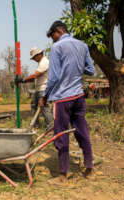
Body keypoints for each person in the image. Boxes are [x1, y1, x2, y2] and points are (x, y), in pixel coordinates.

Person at [39, 21, 95, 185]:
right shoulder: (82, 45)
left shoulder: (57, 48)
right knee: (82, 131)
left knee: (61, 134)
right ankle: (89, 168)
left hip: (62, 98)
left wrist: (44, 96)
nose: (53, 40)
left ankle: (63, 175)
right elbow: (90, 70)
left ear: (58, 31)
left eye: (53, 36)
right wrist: (75, 67)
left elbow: (54, 77)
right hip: (78, 96)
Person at [15, 47, 53, 129]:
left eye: (34, 57)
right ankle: (36, 125)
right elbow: (34, 79)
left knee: (44, 107)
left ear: (39, 55)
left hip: (43, 89)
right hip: (38, 89)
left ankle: (50, 127)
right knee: (34, 105)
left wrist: (23, 79)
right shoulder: (41, 63)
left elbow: (35, 76)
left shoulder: (45, 62)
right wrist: (23, 80)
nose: (34, 59)